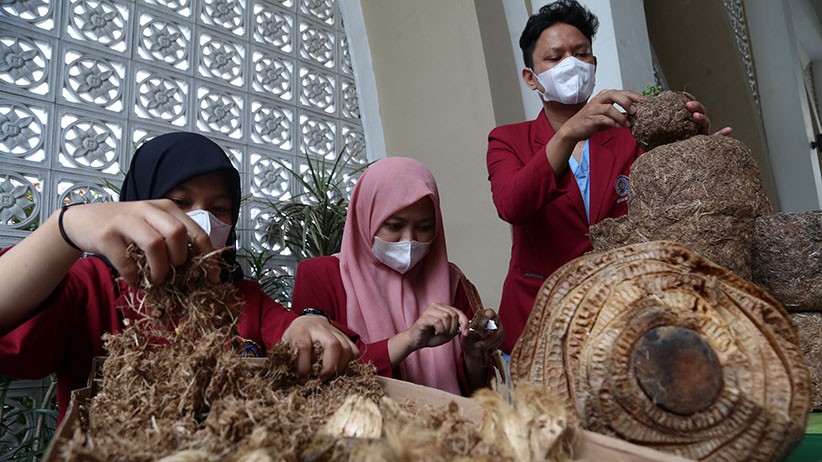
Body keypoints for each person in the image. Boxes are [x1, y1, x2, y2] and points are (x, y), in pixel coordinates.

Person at [0, 132, 359, 421]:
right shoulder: (93, 285)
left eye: (219, 208)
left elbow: (300, 339)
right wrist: (65, 229)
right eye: (180, 202)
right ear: (142, 200)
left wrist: (307, 322)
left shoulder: (242, 297)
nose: (199, 220)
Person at [486, 0, 732, 353]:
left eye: (581, 53)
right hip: (539, 323)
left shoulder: (631, 138)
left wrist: (700, 154)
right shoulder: (508, 140)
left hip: (624, 322)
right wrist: (568, 133)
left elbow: (671, 209)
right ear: (530, 77)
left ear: (594, 64)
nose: (571, 64)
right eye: (555, 58)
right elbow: (513, 205)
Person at [291, 157, 504, 396]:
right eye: (394, 226)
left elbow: (479, 393)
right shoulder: (320, 276)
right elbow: (311, 377)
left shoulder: (452, 281)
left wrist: (475, 354)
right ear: (365, 217)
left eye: (424, 227)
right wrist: (409, 340)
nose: (409, 240)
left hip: (448, 418)